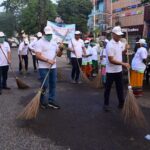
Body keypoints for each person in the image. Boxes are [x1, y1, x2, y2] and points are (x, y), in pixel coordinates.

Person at [35, 26, 63, 109]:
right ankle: (42, 101)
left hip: (53, 67)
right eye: (48, 34)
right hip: (43, 67)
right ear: (44, 34)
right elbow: (37, 56)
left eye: (50, 34)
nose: (49, 36)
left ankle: (51, 101)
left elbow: (59, 55)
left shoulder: (54, 42)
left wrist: (61, 49)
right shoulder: (39, 43)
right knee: (44, 85)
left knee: (53, 84)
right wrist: (48, 60)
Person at [104, 26, 130, 111]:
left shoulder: (120, 43)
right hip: (111, 71)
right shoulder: (109, 45)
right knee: (108, 88)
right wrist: (123, 64)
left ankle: (121, 103)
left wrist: (126, 49)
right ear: (113, 34)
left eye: (120, 35)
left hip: (118, 70)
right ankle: (106, 104)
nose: (120, 37)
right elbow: (111, 60)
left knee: (120, 88)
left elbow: (121, 52)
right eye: (118, 35)